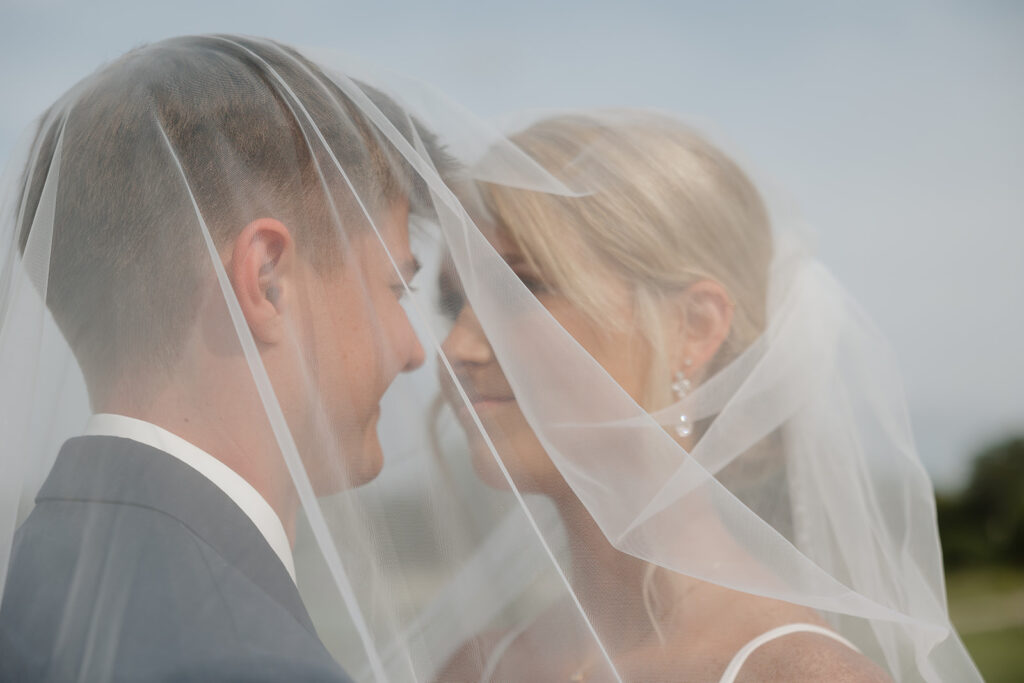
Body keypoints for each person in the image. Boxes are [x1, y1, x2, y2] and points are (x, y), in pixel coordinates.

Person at [434, 111, 980, 682]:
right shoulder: (476, 668)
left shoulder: (799, 675)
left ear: (693, 327)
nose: (455, 346)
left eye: (520, 288)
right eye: (452, 303)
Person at [0, 34, 453, 681]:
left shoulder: (28, 575)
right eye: (395, 287)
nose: (413, 349)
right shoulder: (251, 659)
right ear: (267, 280)